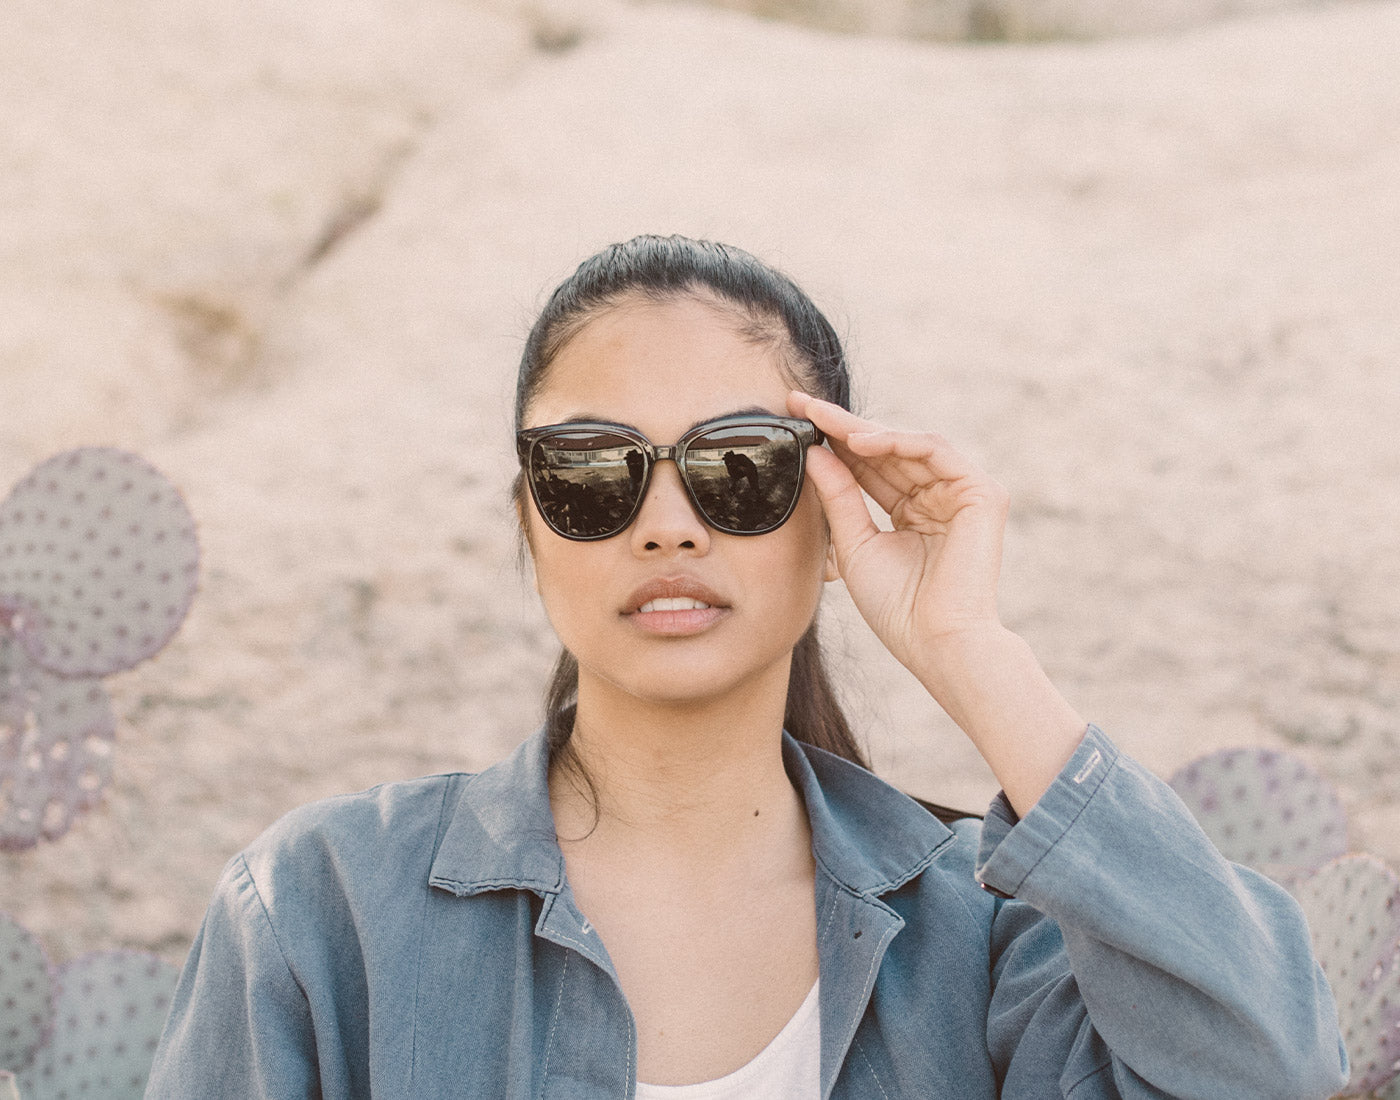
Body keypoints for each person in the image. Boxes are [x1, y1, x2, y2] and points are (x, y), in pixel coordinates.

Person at [146, 235, 1347, 1098]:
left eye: (738, 467)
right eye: (592, 469)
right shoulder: (320, 909)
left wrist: (971, 653)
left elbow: (1264, 1064)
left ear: (831, 517)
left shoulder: (983, 939)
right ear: (528, 521)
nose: (667, 524)